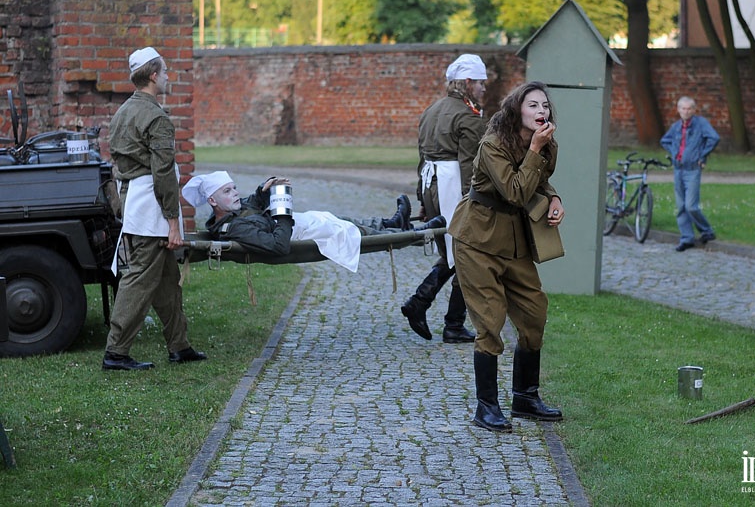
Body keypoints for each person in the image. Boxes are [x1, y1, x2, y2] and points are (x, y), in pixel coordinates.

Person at [449, 81, 564, 432]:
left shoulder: (544, 143)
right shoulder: (492, 144)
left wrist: (554, 197)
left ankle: (525, 397)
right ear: (517, 110)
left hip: (514, 242)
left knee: (534, 312)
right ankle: (486, 407)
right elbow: (515, 191)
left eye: (544, 105)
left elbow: (539, 181)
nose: (541, 111)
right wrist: (535, 149)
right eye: (532, 105)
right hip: (477, 240)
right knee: (490, 321)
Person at [103, 47, 206, 371]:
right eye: (164, 71)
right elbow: (163, 175)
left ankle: (179, 345)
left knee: (167, 279)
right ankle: (116, 353)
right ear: (152, 75)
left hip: (137, 201)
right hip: (150, 210)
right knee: (138, 280)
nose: (168, 76)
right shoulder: (156, 118)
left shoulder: (123, 111)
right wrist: (173, 223)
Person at [182, 172, 444, 271]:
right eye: (227, 192)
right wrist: (283, 214)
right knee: (352, 232)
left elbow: (251, 205)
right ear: (213, 202)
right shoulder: (234, 228)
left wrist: (265, 188)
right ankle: (416, 234)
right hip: (298, 235)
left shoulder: (233, 212)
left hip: (298, 224)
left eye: (234, 187)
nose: (235, 193)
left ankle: (391, 222)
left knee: (342, 219)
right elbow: (277, 246)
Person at [400, 54, 487, 344]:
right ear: (468, 83)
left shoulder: (431, 110)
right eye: (481, 83)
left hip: (431, 186)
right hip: (452, 187)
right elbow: (470, 165)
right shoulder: (467, 116)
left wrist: (423, 200)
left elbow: (422, 161)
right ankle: (444, 319)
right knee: (466, 254)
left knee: (453, 255)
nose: (485, 89)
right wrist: (473, 200)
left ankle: (428, 309)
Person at [660, 96, 720, 252]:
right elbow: (664, 140)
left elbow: (714, 138)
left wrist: (702, 155)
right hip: (678, 168)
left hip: (692, 169)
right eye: (683, 108)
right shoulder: (676, 126)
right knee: (681, 206)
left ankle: (707, 231)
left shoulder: (701, 124)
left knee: (691, 206)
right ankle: (687, 238)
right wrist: (674, 152)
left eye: (689, 109)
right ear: (678, 110)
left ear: (694, 110)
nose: (686, 112)